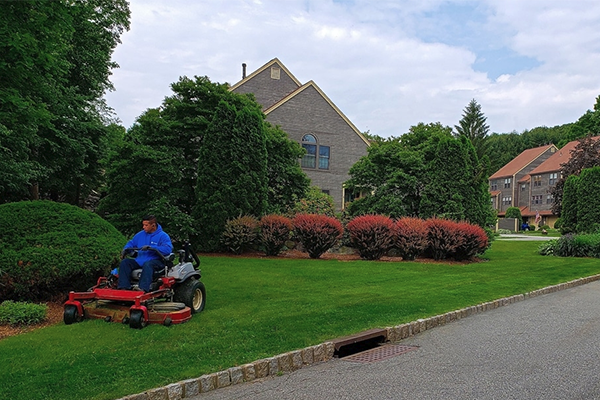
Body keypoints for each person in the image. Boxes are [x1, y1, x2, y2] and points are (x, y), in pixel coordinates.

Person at [118, 215, 173, 292]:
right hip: (140, 260)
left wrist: (152, 248)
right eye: (143, 225)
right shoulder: (140, 235)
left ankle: (142, 289)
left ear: (153, 225)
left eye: (146, 225)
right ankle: (124, 287)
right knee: (125, 262)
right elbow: (131, 243)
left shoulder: (163, 236)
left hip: (157, 261)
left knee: (148, 264)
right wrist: (126, 249)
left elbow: (168, 249)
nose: (143, 227)